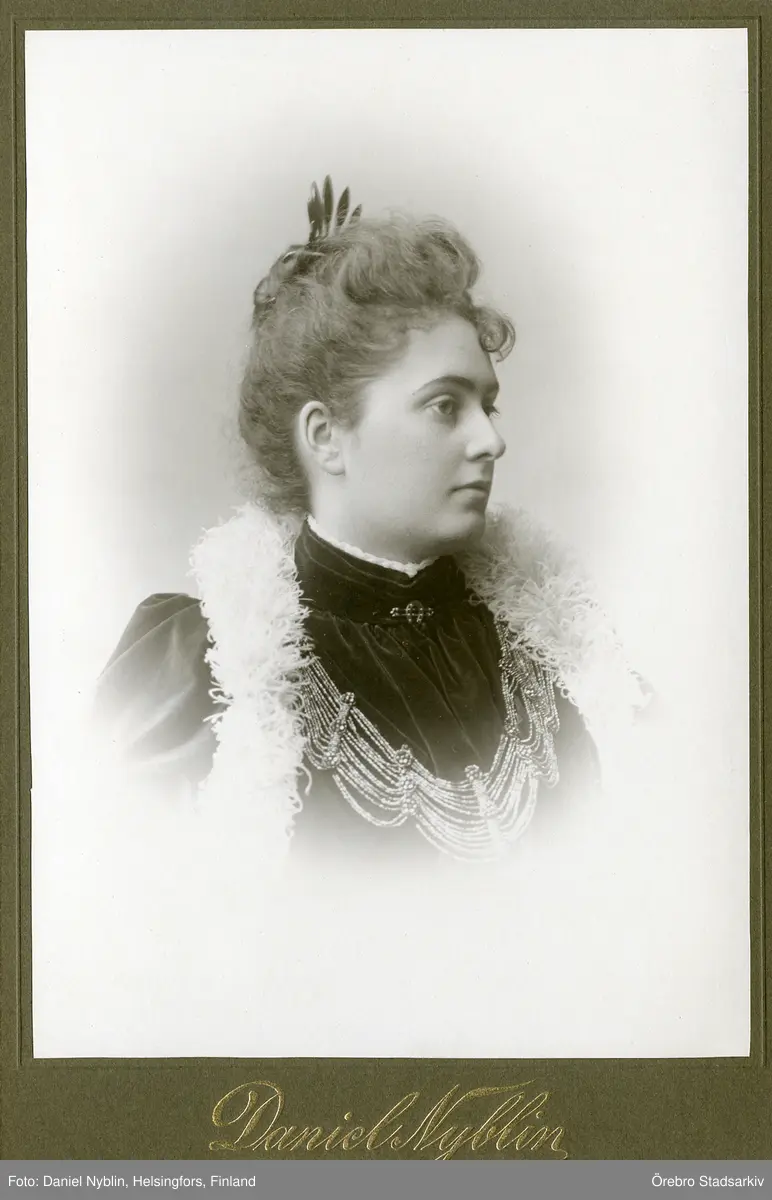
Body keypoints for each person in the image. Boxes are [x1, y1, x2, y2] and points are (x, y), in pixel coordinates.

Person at [95, 178, 646, 870]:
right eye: (445, 407)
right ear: (325, 437)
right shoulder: (203, 675)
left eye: (488, 407)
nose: (490, 441)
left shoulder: (558, 655)